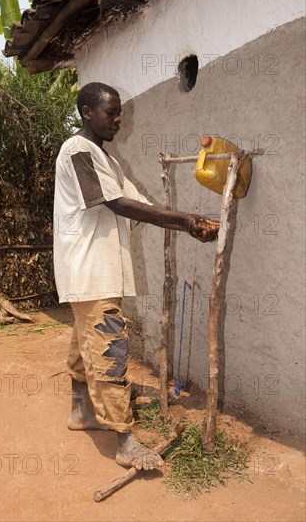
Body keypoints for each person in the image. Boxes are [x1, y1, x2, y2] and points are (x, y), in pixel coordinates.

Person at [53, 82, 219, 471]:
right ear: (86, 112)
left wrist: (187, 224)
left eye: (119, 112)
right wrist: (184, 219)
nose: (118, 119)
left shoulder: (104, 160)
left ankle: (81, 412)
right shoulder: (78, 150)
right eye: (111, 113)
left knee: (85, 344)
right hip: (91, 269)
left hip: (95, 272)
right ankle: (125, 441)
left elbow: (139, 204)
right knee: (110, 351)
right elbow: (116, 203)